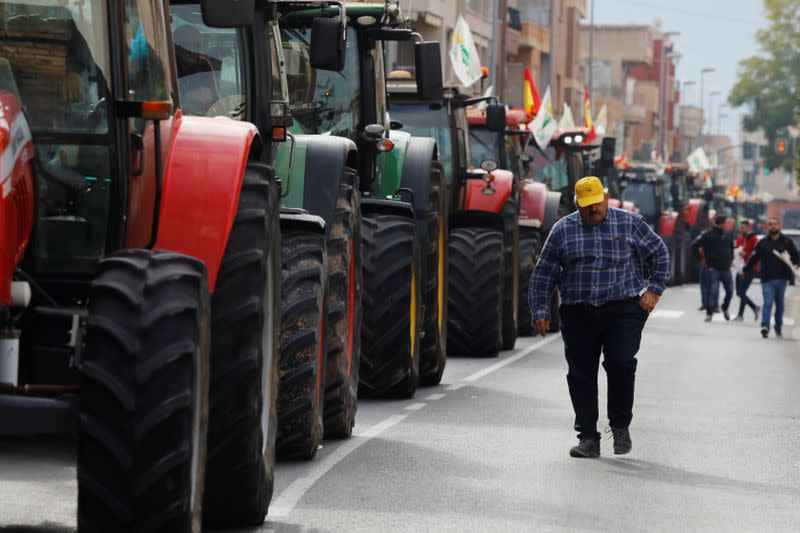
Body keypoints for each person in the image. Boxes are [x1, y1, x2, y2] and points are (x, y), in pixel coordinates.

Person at [529, 176, 670, 458]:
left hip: (623, 309)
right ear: (577, 205)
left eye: (597, 204)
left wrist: (654, 290)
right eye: (587, 206)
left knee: (620, 363)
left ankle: (619, 427)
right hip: (578, 312)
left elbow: (659, 253)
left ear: (606, 198)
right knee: (581, 373)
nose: (593, 210)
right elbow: (543, 272)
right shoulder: (562, 230)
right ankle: (588, 438)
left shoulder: (630, 223)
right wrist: (540, 310)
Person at [744, 217, 800, 338]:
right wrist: (746, 269)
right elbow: (754, 258)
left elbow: (796, 257)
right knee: (768, 302)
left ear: (779, 226)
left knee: (780, 305)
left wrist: (795, 264)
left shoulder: (787, 242)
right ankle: (765, 326)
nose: (773, 226)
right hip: (767, 279)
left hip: (783, 278)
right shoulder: (762, 243)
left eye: (775, 224)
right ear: (767, 226)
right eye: (770, 224)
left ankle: (778, 326)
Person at [692, 215, 734, 322]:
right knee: (712, 290)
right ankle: (709, 313)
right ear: (720, 224)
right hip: (713, 267)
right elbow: (694, 245)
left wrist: (731, 259)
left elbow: (731, 248)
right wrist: (700, 260)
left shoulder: (728, 235)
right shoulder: (708, 234)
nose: (727, 225)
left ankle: (725, 307)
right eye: (726, 223)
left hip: (725, 268)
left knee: (730, 290)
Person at [733, 219, 760, 322]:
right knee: (739, 292)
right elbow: (736, 250)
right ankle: (754, 307)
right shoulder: (740, 238)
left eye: (744, 227)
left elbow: (749, 253)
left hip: (750, 269)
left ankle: (740, 315)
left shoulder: (753, 239)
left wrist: (741, 253)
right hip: (740, 268)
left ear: (749, 228)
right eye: (741, 227)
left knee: (743, 291)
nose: (742, 229)